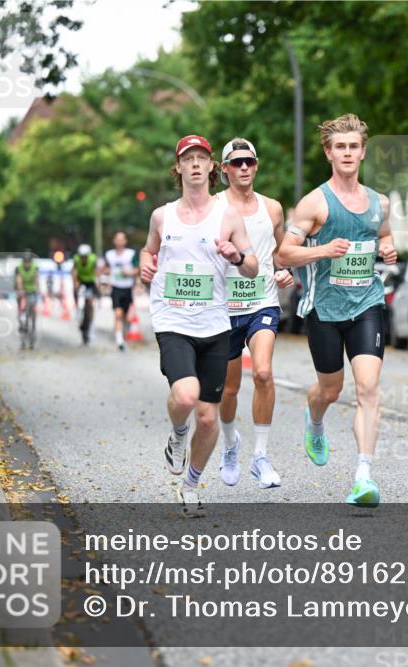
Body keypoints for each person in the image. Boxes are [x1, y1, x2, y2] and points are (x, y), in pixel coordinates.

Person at [277, 114, 397, 507]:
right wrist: (323, 250)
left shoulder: (379, 203)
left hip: (367, 304)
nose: (347, 153)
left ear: (363, 152)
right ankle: (315, 424)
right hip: (324, 309)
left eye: (353, 147)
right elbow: (284, 252)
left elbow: (383, 235)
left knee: (367, 388)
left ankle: (363, 476)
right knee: (330, 390)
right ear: (329, 153)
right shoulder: (315, 202)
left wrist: (389, 248)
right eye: (339, 147)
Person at [140, 134, 259, 518]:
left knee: (208, 417)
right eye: (187, 158)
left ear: (211, 168)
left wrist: (237, 255)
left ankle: (190, 485)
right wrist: (145, 264)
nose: (194, 163)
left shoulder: (228, 217)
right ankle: (177, 435)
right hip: (173, 320)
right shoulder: (162, 215)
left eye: (201, 158)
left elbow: (253, 266)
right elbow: (149, 250)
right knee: (187, 397)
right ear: (178, 168)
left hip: (214, 324)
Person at [215, 138, 295, 490]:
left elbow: (282, 251)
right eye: (236, 163)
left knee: (263, 373)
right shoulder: (214, 209)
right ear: (224, 171)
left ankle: (260, 456)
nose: (243, 167)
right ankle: (231, 444)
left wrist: (285, 271)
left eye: (249, 161)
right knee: (228, 389)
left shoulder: (272, 208)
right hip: (223, 308)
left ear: (257, 166)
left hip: (262, 302)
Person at [104, 231, 139, 351]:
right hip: (116, 287)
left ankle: (123, 335)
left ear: (125, 241)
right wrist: (106, 277)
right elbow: (105, 269)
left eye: (121, 239)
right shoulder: (109, 255)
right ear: (114, 241)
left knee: (125, 316)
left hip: (127, 287)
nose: (119, 241)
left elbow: (137, 269)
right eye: (117, 239)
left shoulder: (131, 254)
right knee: (117, 314)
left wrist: (130, 273)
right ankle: (119, 340)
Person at [72, 244, 99, 345]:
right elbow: (74, 272)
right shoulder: (76, 259)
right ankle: (77, 310)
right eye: (81, 257)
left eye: (85, 257)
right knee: (75, 291)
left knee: (90, 304)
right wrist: (75, 284)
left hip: (90, 282)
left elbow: (96, 272)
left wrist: (98, 284)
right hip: (80, 280)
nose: (83, 259)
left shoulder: (93, 259)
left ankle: (91, 327)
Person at [14, 250, 39, 346]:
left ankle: (33, 325)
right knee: (20, 308)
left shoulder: (34, 268)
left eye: (28, 262)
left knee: (32, 305)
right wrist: (20, 290)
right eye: (25, 262)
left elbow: (36, 279)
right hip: (22, 290)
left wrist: (37, 288)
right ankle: (21, 320)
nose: (27, 264)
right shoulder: (19, 268)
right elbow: (19, 280)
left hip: (31, 290)